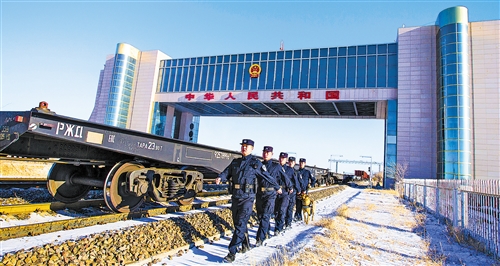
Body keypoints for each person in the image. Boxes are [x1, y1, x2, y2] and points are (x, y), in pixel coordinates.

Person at [215, 139, 281, 263]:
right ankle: (245, 245)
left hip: (247, 199)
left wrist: (277, 187)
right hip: (235, 197)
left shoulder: (255, 164)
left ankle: (232, 252)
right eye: (243, 146)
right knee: (238, 224)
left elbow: (267, 176)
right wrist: (220, 177)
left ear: (252, 149)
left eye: (247, 146)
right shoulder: (235, 162)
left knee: (240, 224)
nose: (244, 148)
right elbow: (226, 172)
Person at [255, 146, 282, 247]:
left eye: (268, 152)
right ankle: (265, 231)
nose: (265, 154)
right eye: (264, 152)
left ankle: (259, 239)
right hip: (260, 193)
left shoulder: (276, 166)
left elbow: (285, 177)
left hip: (270, 194)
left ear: (272, 154)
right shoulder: (258, 165)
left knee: (266, 216)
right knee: (260, 216)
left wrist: (290, 186)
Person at [273, 152, 293, 235]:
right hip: (276, 191)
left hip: (285, 192)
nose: (281, 159)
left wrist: (294, 188)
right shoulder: (275, 168)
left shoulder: (290, 170)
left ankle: (278, 228)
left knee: (282, 210)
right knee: (276, 211)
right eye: (280, 158)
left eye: (283, 158)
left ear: (286, 160)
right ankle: (277, 225)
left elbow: (293, 180)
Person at [284, 156, 301, 229]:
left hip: (293, 191)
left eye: (292, 162)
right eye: (289, 161)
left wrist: (299, 190)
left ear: (294, 163)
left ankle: (288, 223)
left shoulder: (296, 172)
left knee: (290, 208)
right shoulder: (285, 170)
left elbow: (298, 182)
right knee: (284, 208)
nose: (290, 163)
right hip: (285, 191)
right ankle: (284, 222)